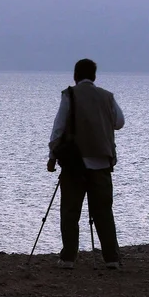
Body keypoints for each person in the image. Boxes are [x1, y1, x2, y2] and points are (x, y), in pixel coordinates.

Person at [47, 59, 125, 270]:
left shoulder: (69, 95)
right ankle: (111, 258)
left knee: (70, 212)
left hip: (74, 164)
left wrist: (52, 156)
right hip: (101, 162)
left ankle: (68, 258)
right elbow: (119, 122)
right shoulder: (107, 97)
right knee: (103, 212)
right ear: (94, 76)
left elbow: (58, 128)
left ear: (75, 75)